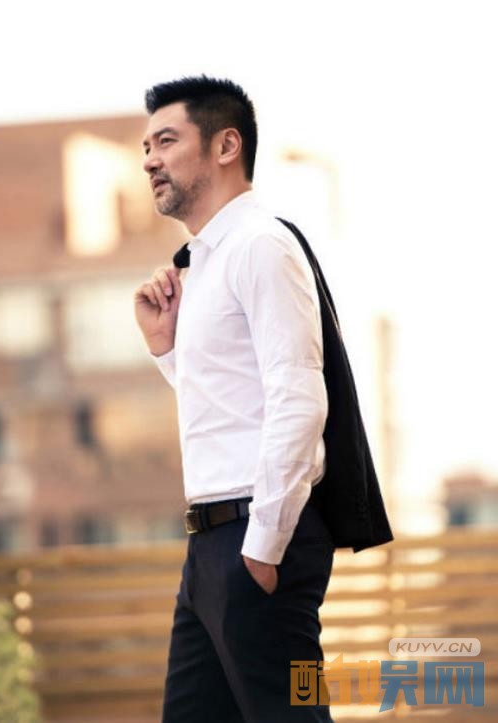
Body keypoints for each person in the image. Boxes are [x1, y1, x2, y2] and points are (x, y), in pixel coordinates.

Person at [135, 75, 336, 722]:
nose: (150, 160)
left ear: (226, 145)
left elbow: (298, 398)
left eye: (167, 141)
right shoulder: (204, 263)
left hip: (253, 536)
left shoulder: (259, 246)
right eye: (146, 146)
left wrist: (263, 546)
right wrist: (166, 349)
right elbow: (233, 404)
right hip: (210, 545)